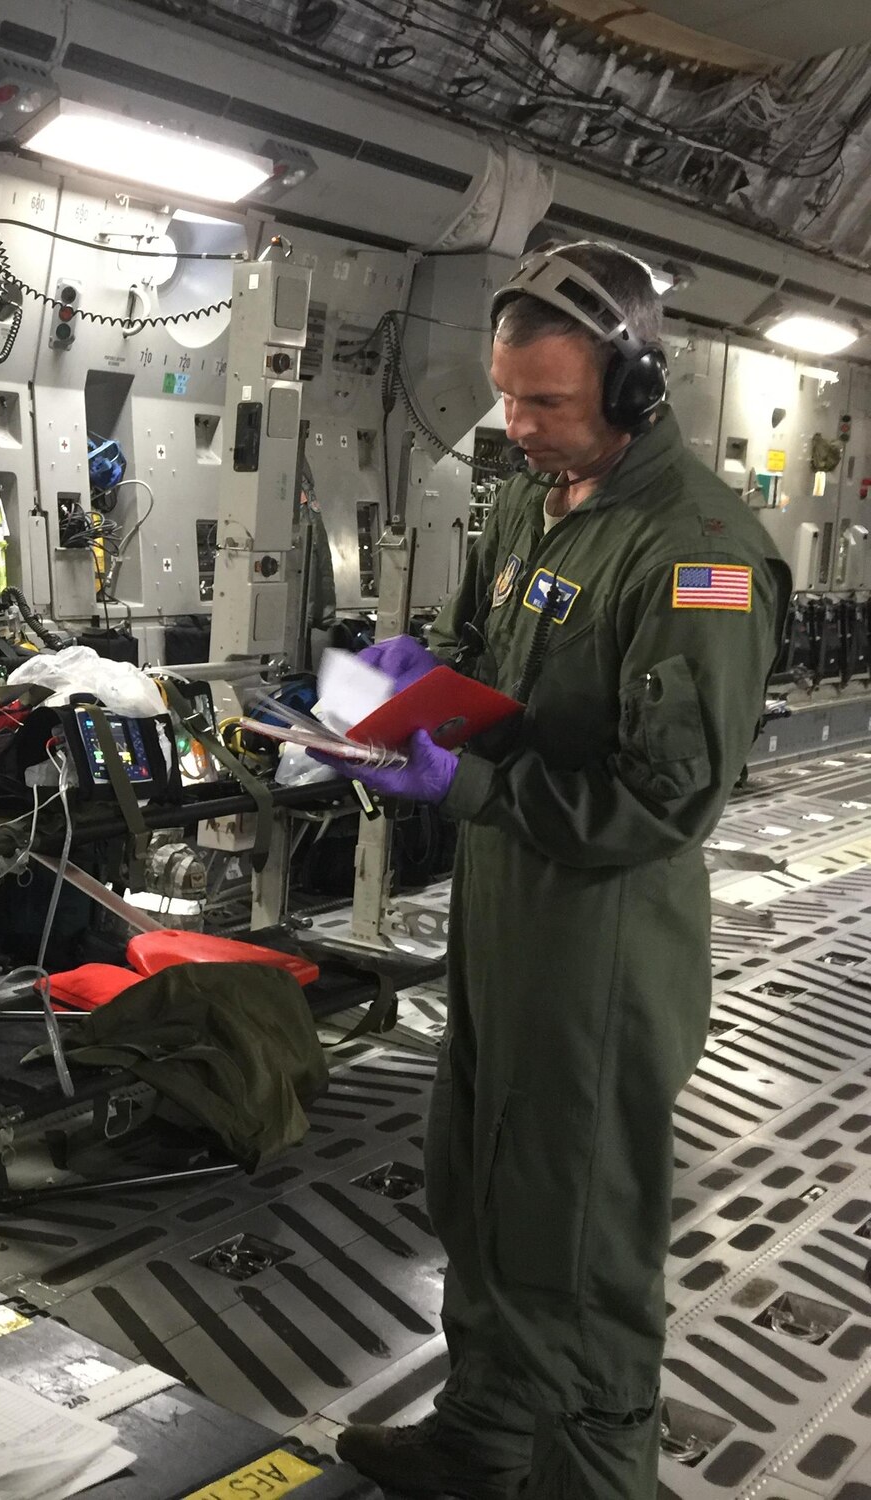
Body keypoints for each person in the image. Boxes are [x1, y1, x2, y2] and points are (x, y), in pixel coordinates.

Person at [320, 244, 784, 1499]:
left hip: (601, 940)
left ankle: (593, 1479)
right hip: (502, 910)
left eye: (547, 405)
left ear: (631, 390)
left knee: (575, 1244)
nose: (517, 428)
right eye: (505, 399)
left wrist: (462, 783)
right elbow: (489, 654)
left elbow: (661, 801)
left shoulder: (698, 556)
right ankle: (482, 1435)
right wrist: (401, 690)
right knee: (475, 1184)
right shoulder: (534, 499)